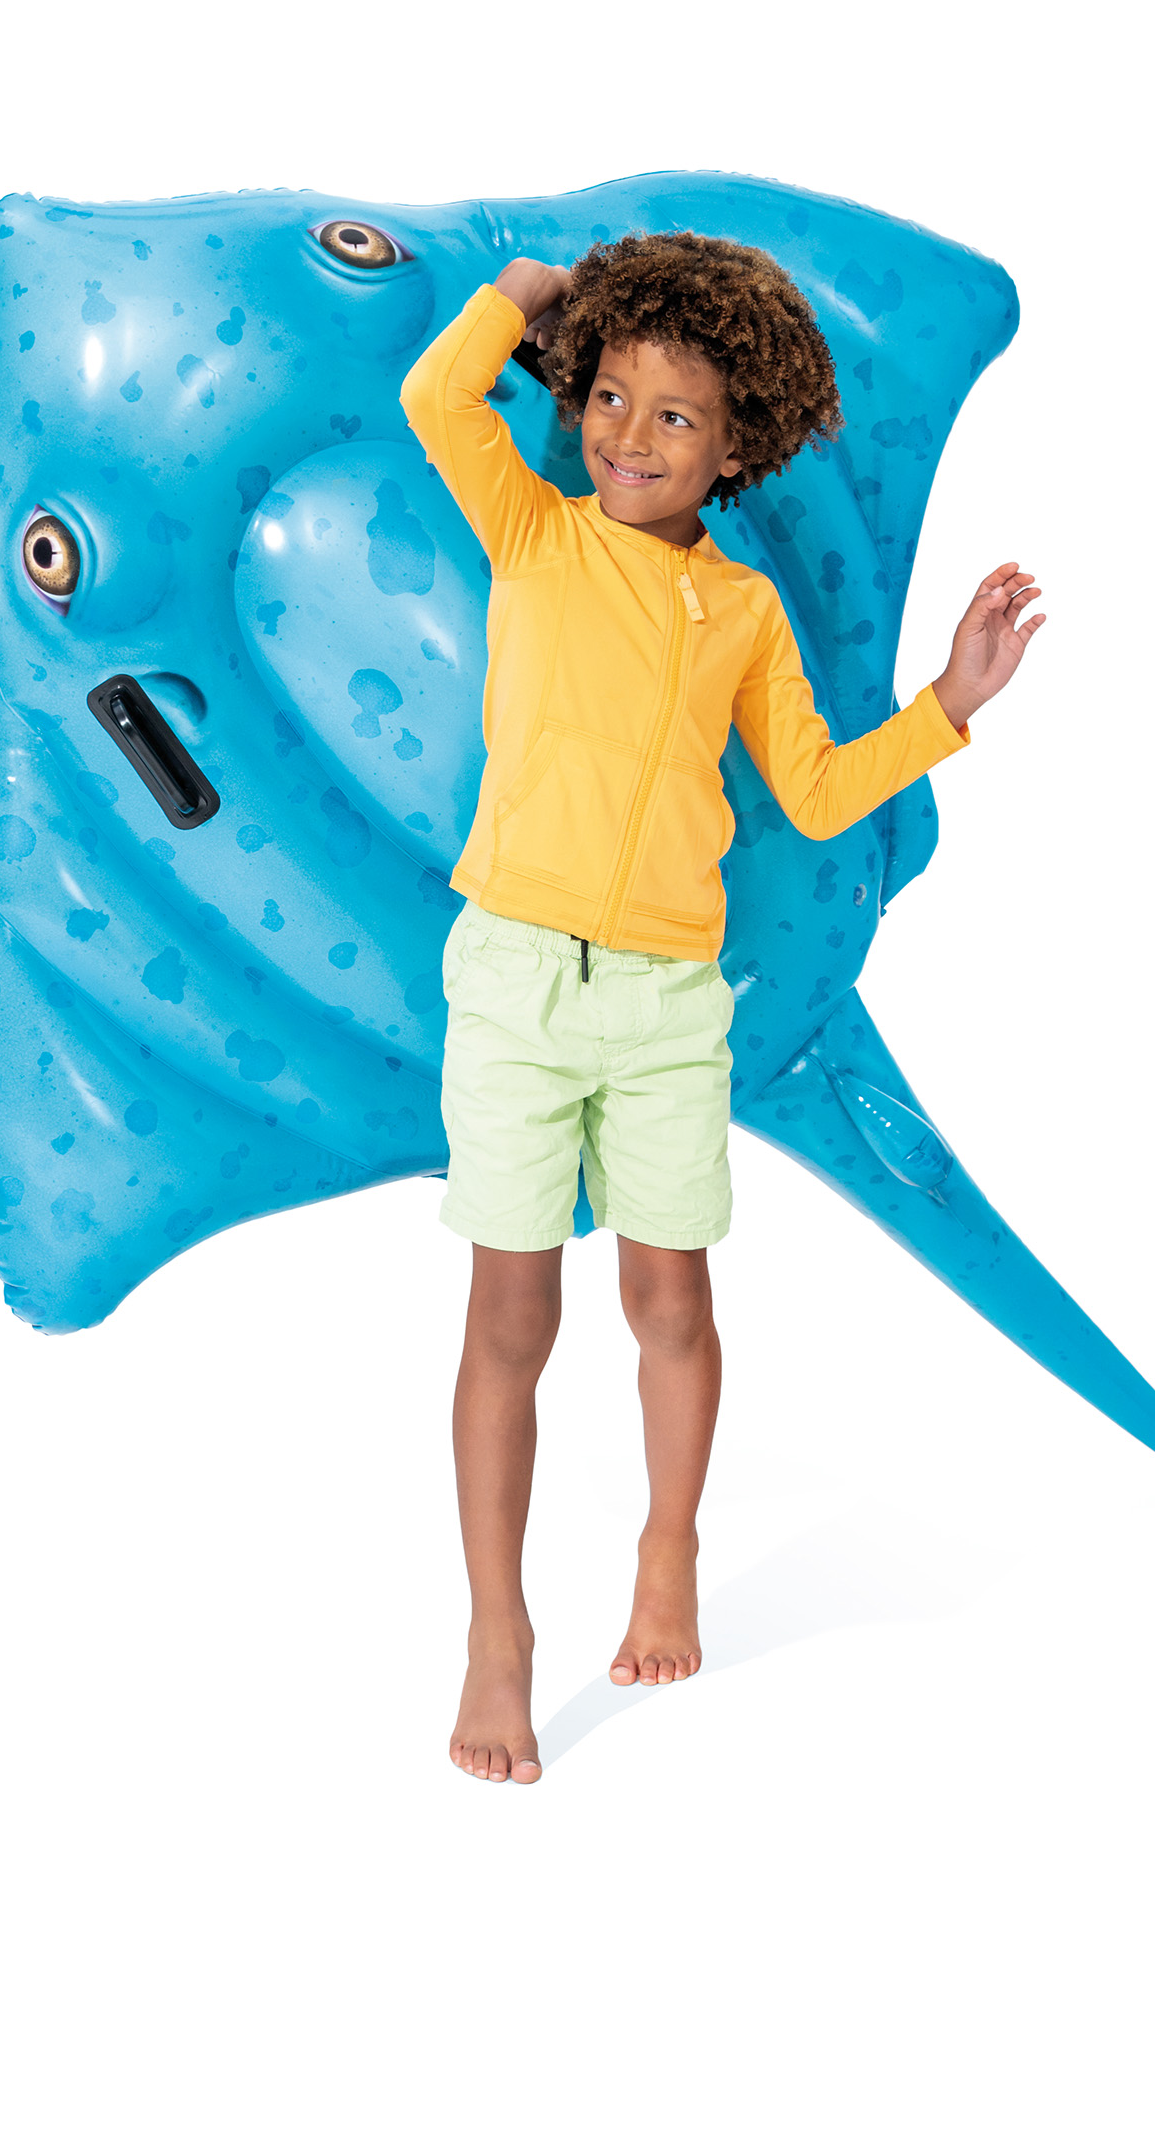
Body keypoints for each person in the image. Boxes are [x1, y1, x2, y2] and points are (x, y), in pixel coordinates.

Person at [399, 233, 1043, 1784]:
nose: (629, 436)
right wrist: (526, 296)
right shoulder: (532, 531)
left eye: (676, 415)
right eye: (611, 399)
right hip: (513, 983)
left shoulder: (742, 611)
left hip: (670, 1005)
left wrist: (949, 707)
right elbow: (437, 401)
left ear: (736, 444)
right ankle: (499, 1635)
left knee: (672, 1304)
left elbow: (813, 794)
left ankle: (668, 1547)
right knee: (508, 1318)